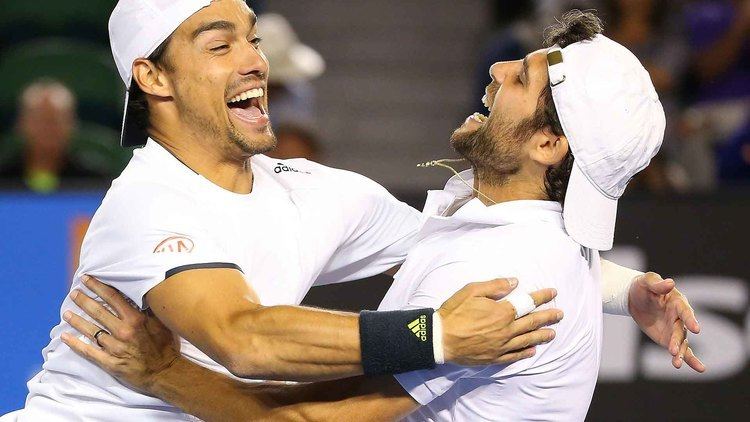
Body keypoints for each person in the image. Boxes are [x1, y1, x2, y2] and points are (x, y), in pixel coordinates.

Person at [55, 9, 703, 422]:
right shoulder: (149, 204)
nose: (255, 59)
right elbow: (243, 337)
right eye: (221, 45)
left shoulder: (316, 191)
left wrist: (614, 288)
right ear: (153, 78)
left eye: (250, 39)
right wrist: (435, 334)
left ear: (546, 145)